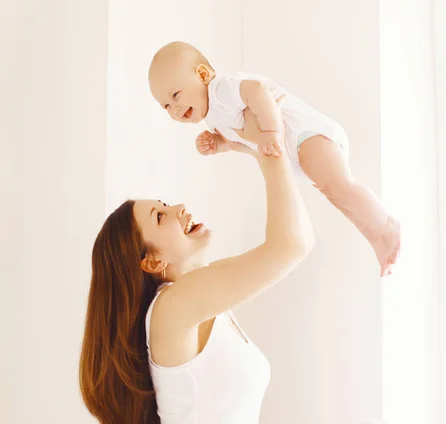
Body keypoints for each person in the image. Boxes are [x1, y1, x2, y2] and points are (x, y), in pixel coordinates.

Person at [79, 102, 314, 423]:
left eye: (165, 204)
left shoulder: (199, 305)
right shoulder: (173, 306)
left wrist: (259, 150)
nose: (179, 208)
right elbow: (290, 245)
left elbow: (300, 240)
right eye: (160, 216)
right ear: (151, 261)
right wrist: (268, 143)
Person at [147, 41, 400, 277]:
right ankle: (375, 237)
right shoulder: (213, 116)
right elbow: (243, 141)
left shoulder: (220, 89)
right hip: (297, 150)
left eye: (176, 95)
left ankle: (386, 225)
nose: (175, 109)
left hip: (303, 133)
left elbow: (256, 91)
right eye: (166, 106)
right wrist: (219, 143)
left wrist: (271, 132)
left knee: (341, 187)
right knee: (337, 195)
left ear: (202, 75)